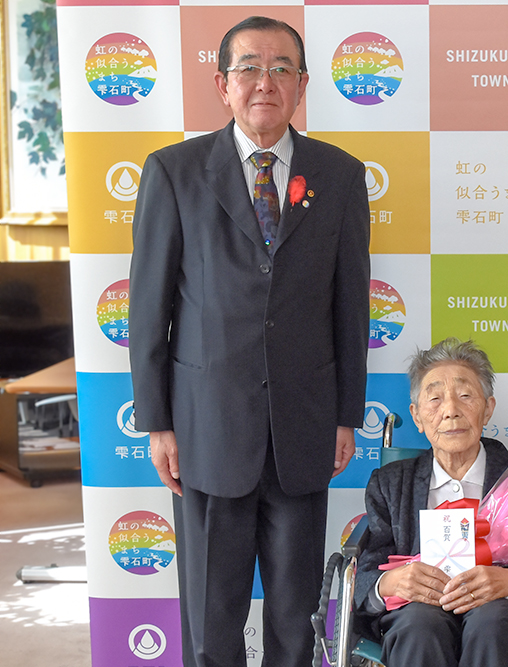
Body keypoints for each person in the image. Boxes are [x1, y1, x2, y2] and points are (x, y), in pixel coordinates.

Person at [128, 16, 370, 667]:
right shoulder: (174, 172)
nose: (266, 82)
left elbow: (351, 306)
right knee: (211, 620)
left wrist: (346, 414)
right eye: (250, 69)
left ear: (302, 85)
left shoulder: (340, 175)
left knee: (297, 616)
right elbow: (148, 310)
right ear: (223, 84)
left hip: (303, 426)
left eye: (282, 69)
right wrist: (158, 423)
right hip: (205, 429)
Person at [354, 338, 508, 667]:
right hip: (417, 613)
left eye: (465, 396)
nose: (450, 410)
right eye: (435, 399)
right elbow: (365, 571)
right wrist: (392, 582)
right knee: (420, 625)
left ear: (487, 408)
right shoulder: (390, 483)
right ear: (417, 416)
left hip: (505, 611)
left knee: (492, 622)